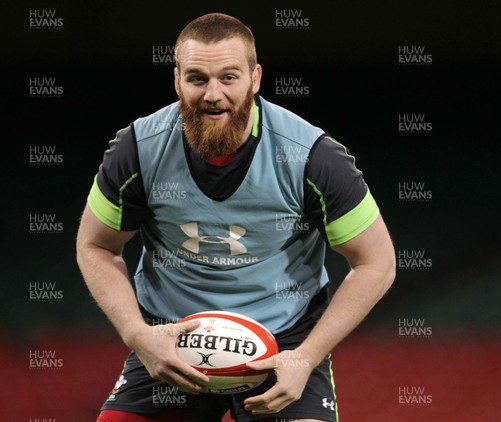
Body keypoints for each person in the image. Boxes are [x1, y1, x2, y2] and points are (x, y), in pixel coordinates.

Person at [76, 12, 395, 422]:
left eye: (229, 77)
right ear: (177, 81)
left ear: (255, 78)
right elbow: (96, 244)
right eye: (197, 79)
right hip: (171, 340)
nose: (213, 94)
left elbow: (377, 262)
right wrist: (138, 335)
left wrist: (306, 357)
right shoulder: (138, 148)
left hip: (285, 345)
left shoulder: (312, 156)